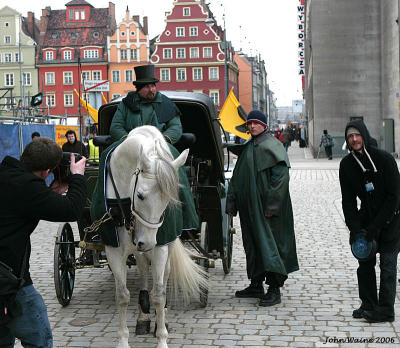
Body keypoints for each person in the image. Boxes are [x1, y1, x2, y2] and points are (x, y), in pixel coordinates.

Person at [91, 64, 198, 246]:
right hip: (131, 145)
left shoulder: (165, 103)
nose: (152, 89)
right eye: (148, 86)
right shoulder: (126, 104)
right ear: (139, 88)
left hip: (159, 146)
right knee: (106, 157)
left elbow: (176, 127)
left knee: (175, 166)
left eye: (153, 85)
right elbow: (115, 126)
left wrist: (163, 139)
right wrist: (130, 141)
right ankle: (101, 207)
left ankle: (186, 216)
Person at [0, 137, 87, 347]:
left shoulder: (7, 174)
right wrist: (77, 177)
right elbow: (72, 209)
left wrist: (47, 195)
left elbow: (23, 203)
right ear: (47, 171)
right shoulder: (28, 188)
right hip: (9, 282)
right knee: (40, 338)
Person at [226, 110, 299, 307]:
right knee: (253, 245)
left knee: (271, 246)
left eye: (256, 123)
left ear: (264, 125)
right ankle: (256, 284)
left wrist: (272, 205)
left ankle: (274, 289)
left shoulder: (273, 146)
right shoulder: (249, 147)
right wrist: (232, 202)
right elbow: (236, 178)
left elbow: (281, 179)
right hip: (250, 209)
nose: (252, 127)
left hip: (267, 210)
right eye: (249, 124)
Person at [339, 119, 400, 323]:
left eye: (357, 135)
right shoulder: (346, 165)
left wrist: (377, 226)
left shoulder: (384, 159)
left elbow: (394, 196)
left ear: (364, 135)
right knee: (364, 263)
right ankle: (368, 304)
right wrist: (356, 229)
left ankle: (385, 309)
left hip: (392, 218)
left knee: (388, 265)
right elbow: (348, 201)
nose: (354, 139)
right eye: (350, 136)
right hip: (366, 218)